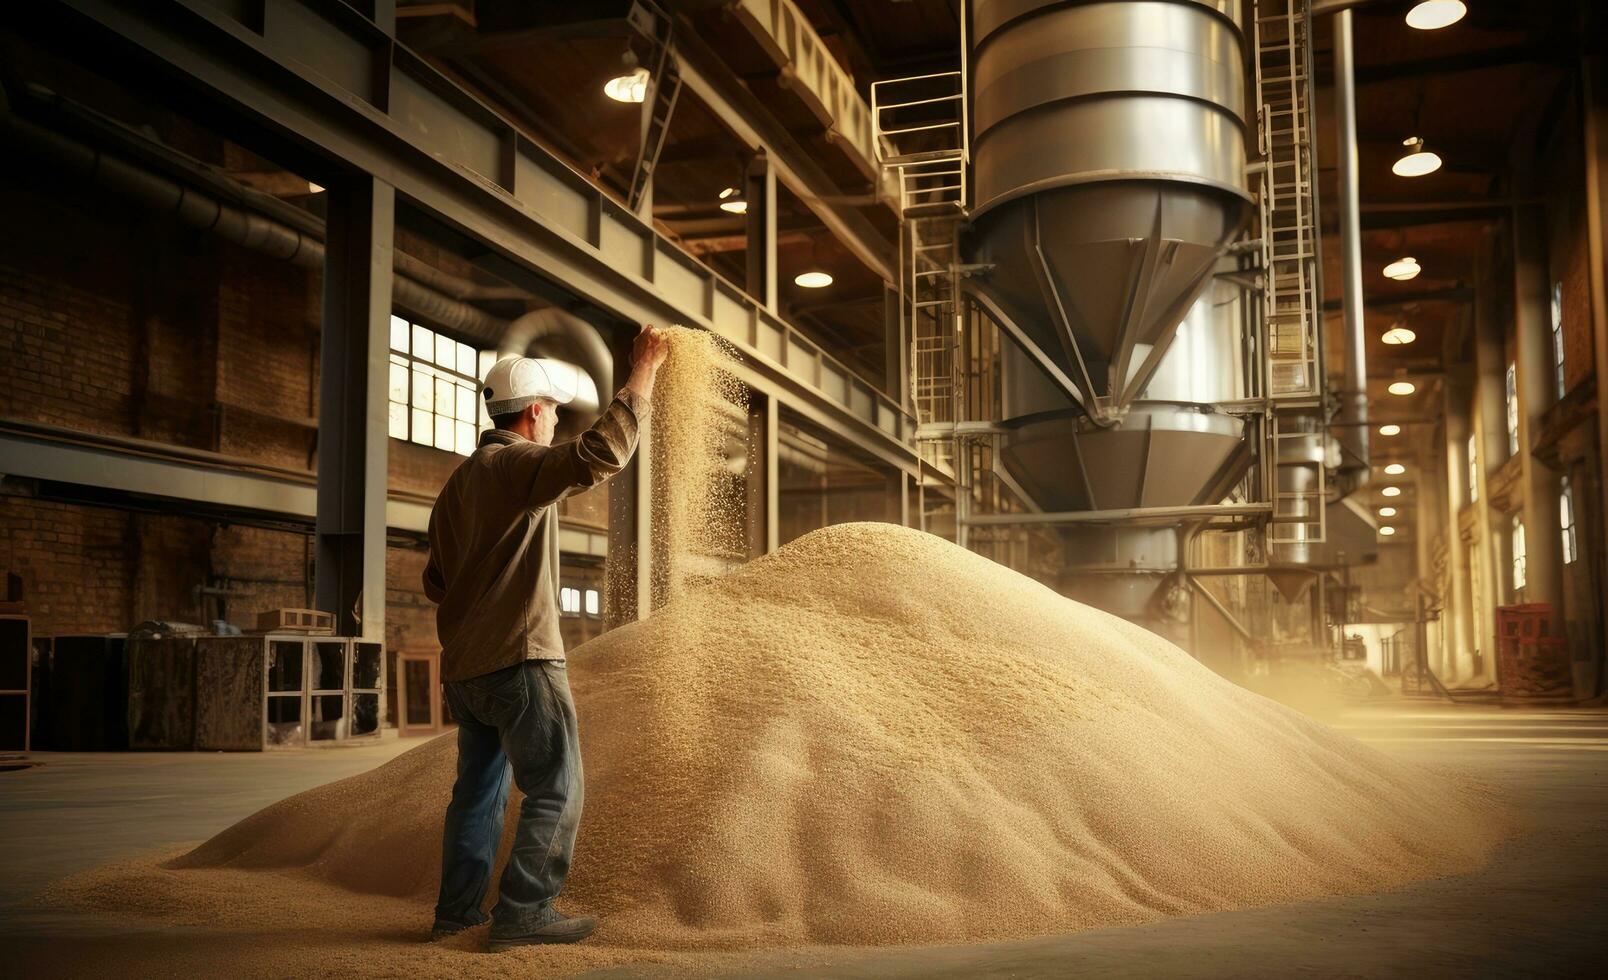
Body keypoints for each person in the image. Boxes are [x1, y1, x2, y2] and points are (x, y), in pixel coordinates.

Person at [422, 324, 668, 950]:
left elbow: (435, 581)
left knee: (476, 793)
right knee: (557, 786)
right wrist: (643, 375)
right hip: (520, 659)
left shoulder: (455, 488)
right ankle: (525, 911)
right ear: (533, 414)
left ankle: (457, 914)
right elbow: (600, 456)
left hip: (466, 671)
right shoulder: (517, 466)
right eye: (555, 411)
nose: (557, 420)